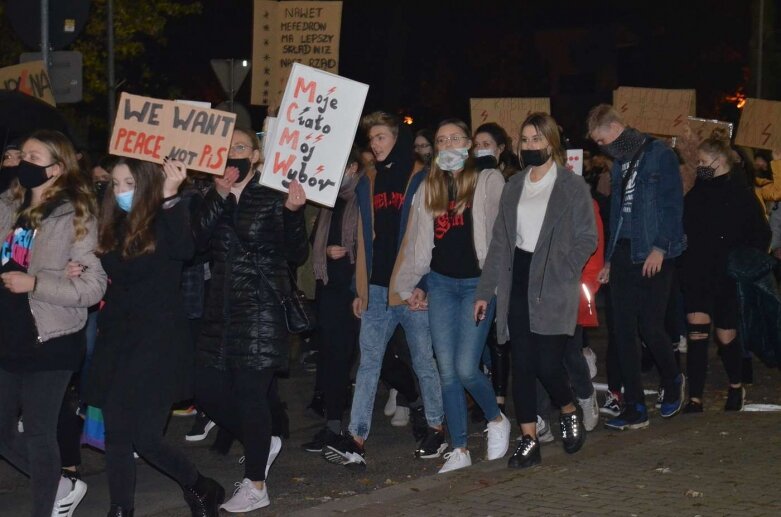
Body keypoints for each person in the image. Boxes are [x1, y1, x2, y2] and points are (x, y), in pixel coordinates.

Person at [193, 127, 308, 513]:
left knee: (250, 394)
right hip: (220, 312)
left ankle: (256, 485)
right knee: (205, 390)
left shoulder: (273, 194)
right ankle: (261, 440)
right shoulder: (210, 196)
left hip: (261, 309)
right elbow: (194, 243)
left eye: (240, 148)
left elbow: (297, 252)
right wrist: (218, 194)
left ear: (257, 156)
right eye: (225, 149)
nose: (232, 155)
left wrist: (293, 214)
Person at [322, 111, 445, 468]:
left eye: (380, 138)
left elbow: (431, 235)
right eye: (371, 139)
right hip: (376, 288)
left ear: (396, 138)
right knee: (368, 363)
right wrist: (360, 287)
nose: (374, 145)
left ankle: (436, 428)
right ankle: (356, 438)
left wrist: (423, 284)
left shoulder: (421, 177)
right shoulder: (367, 180)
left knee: (424, 360)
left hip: (410, 287)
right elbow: (363, 238)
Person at [475, 113, 597, 469]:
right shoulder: (514, 185)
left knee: (547, 362)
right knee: (523, 366)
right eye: (525, 140)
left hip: (554, 282)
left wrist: (564, 268)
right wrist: (485, 292)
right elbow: (499, 243)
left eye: (537, 139)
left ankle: (569, 407)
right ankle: (528, 438)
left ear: (551, 143)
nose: (530, 145)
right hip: (517, 279)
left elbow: (587, 237)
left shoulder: (572, 187)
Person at [0, 129, 106, 517]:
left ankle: (44, 507)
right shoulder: (9, 206)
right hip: (9, 334)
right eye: (19, 154)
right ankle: (61, 483)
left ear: (57, 167)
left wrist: (37, 283)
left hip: (51, 336)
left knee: (41, 432)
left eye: (32, 156)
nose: (22, 162)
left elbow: (94, 286)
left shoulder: (75, 213)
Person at [395, 119, 509, 473]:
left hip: (477, 285)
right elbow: (418, 243)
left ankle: (495, 418)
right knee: (446, 370)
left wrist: (490, 288)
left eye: (454, 139)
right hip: (442, 284)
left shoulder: (488, 180)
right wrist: (412, 284)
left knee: (464, 367)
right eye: (440, 140)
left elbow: (501, 238)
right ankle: (459, 447)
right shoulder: (430, 185)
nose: (447, 145)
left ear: (469, 144)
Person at [587, 104, 687, 431]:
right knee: (623, 331)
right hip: (626, 253)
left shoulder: (660, 155)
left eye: (602, 139)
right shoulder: (620, 164)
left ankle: (673, 379)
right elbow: (617, 214)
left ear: (616, 129)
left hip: (655, 251)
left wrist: (660, 248)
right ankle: (635, 407)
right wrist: (611, 260)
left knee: (650, 326)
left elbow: (673, 206)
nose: (601, 146)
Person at [679, 129, 770, 412]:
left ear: (720, 161)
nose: (701, 167)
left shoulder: (742, 195)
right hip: (698, 273)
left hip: (727, 275)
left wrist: (743, 262)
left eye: (704, 161)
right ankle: (695, 397)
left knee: (726, 335)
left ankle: (735, 386)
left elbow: (761, 234)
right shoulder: (696, 193)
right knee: (696, 333)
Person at [302, 148, 363, 452]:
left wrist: (349, 253)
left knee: (364, 358)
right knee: (330, 357)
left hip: (354, 290)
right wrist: (326, 251)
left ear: (353, 166)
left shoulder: (362, 198)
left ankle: (416, 402)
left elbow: (368, 244)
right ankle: (332, 425)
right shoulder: (328, 202)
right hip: (328, 286)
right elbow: (316, 241)